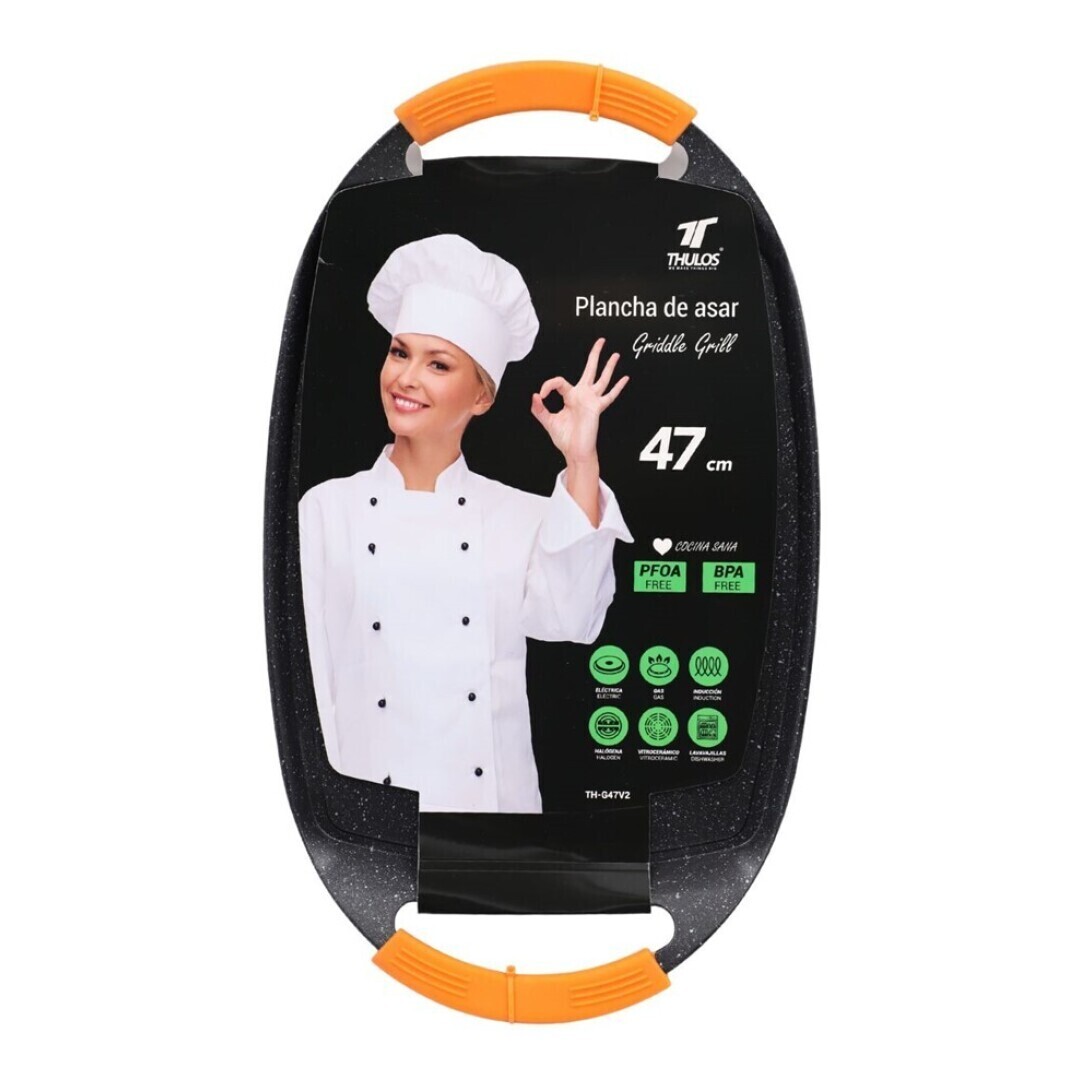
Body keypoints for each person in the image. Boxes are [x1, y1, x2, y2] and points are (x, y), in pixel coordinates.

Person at [298, 234, 633, 813]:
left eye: (438, 364)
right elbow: (311, 681)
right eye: (399, 353)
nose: (406, 378)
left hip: (495, 821)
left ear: (482, 396)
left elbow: (573, 620)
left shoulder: (520, 516)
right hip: (368, 814)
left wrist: (582, 461)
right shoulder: (327, 511)